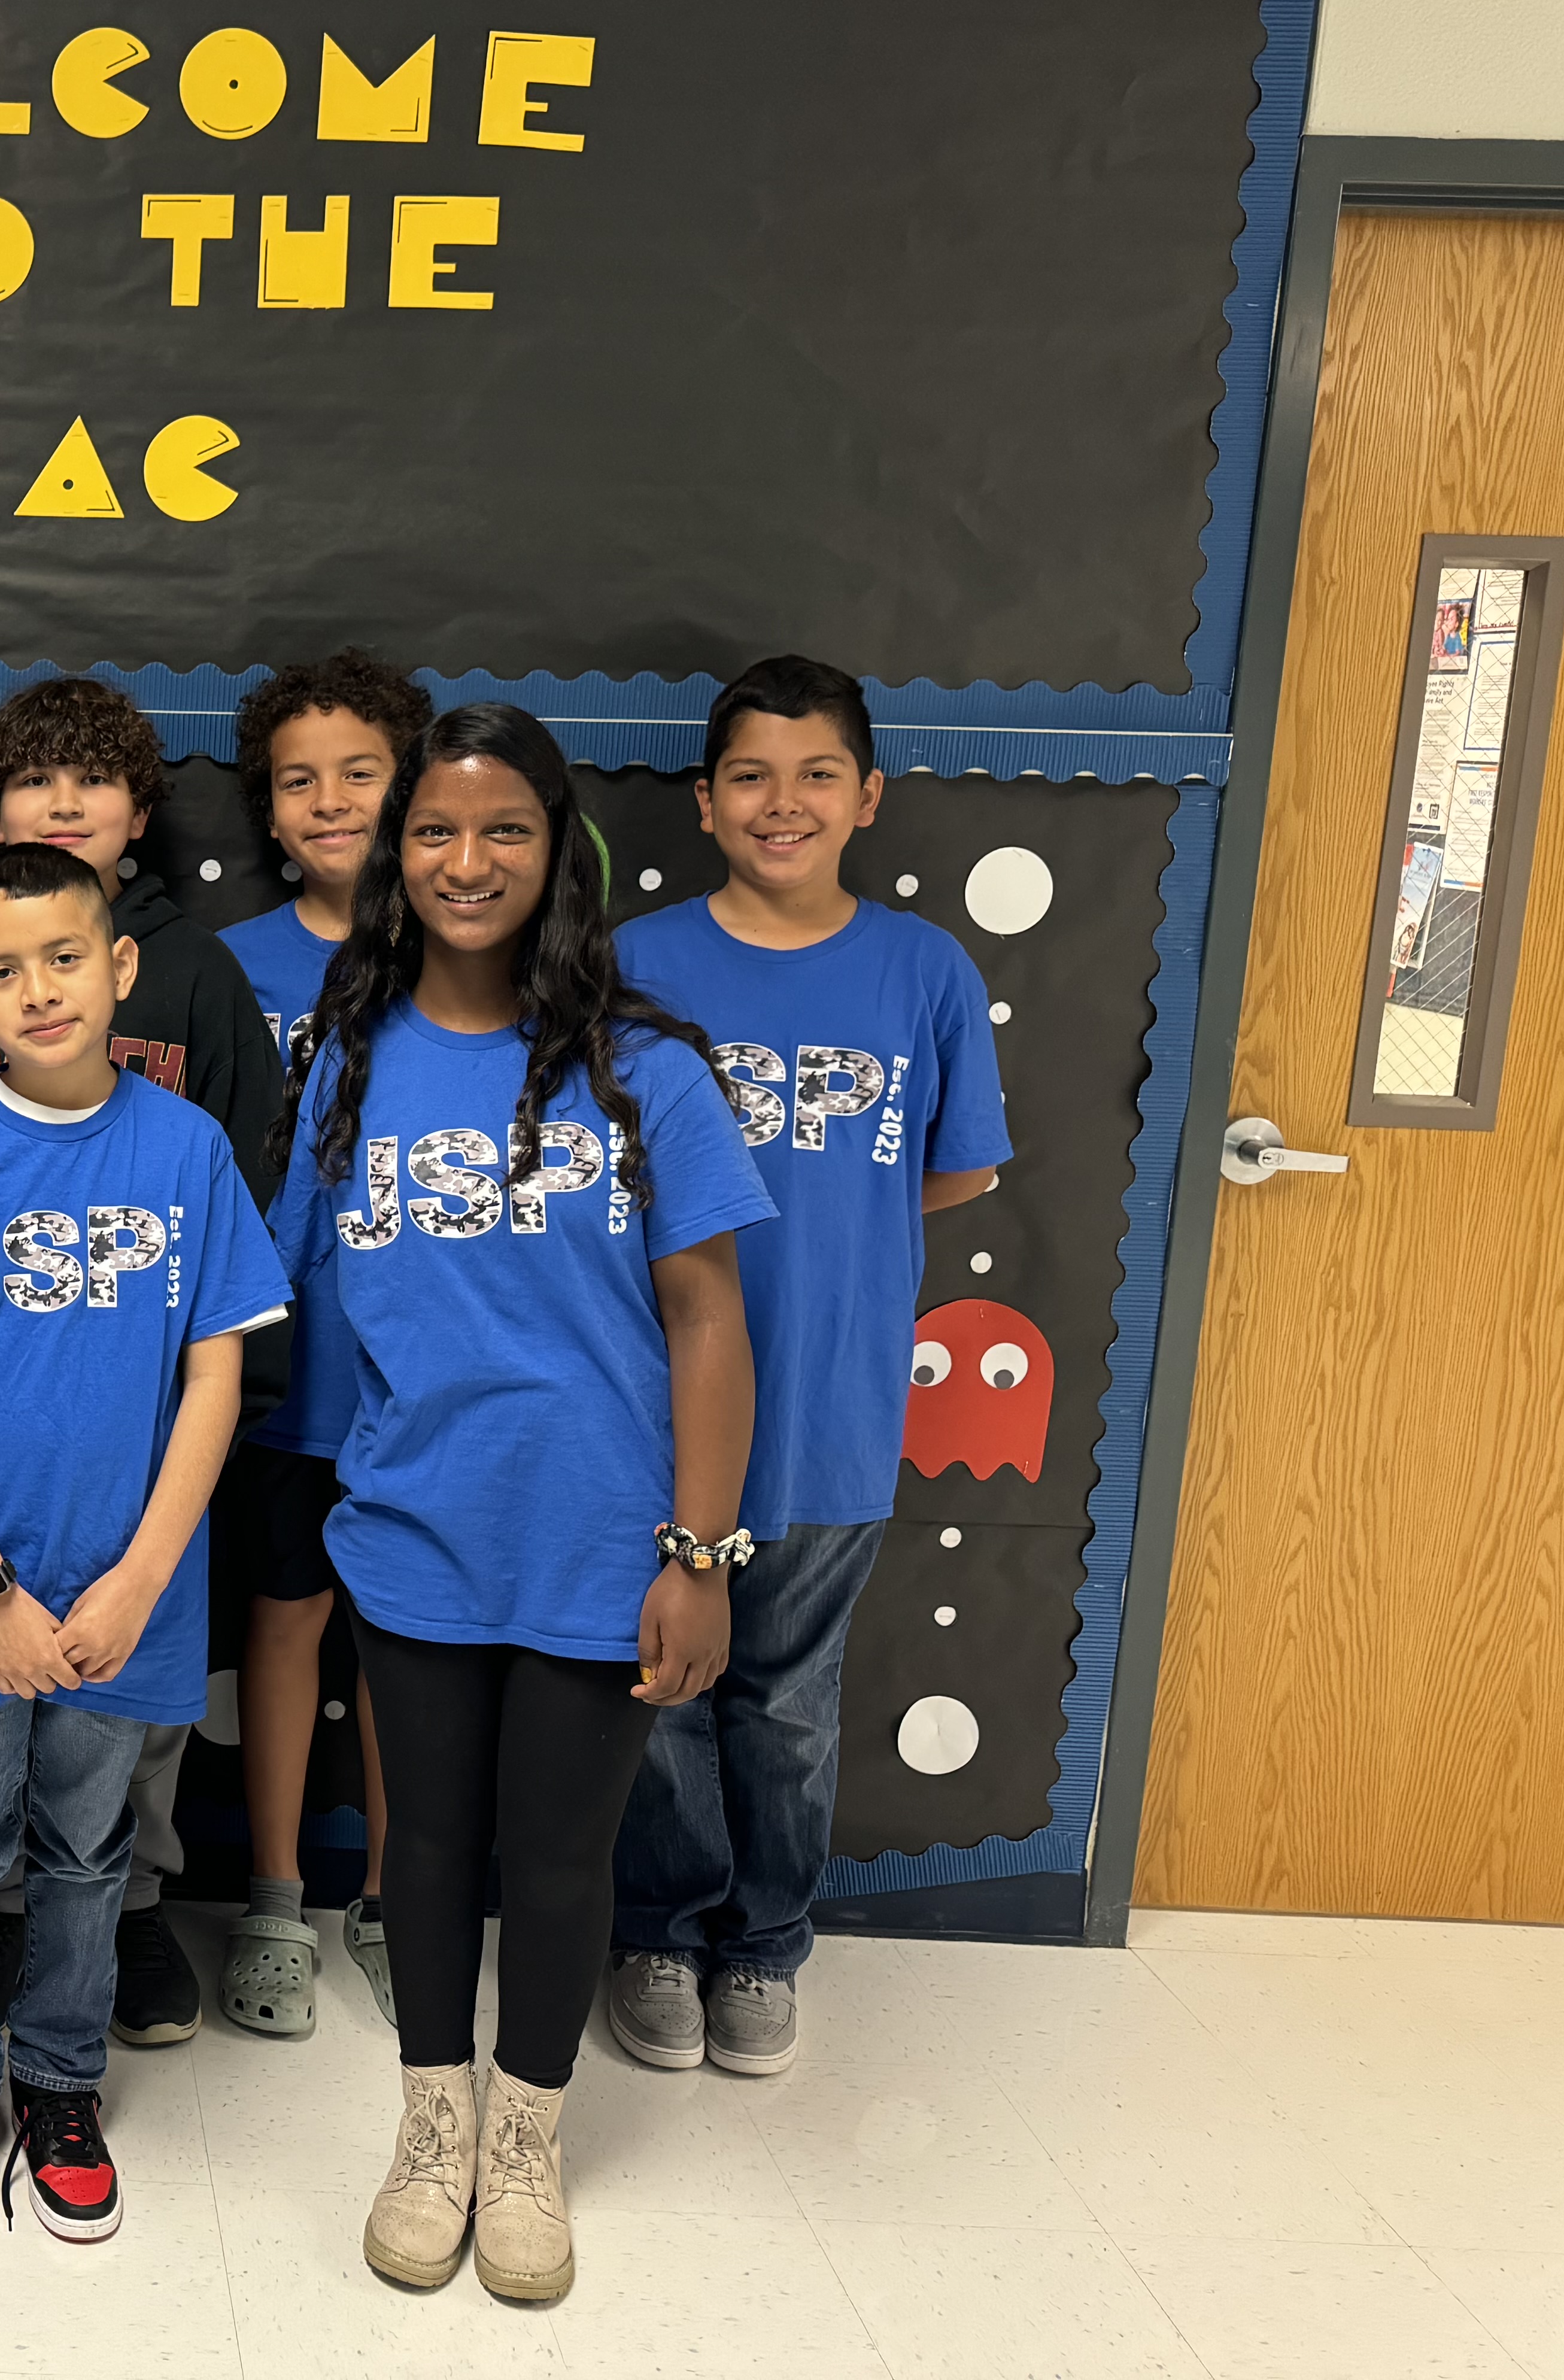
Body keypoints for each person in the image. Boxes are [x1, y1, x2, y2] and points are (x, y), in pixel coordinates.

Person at [270, 704, 769, 2303]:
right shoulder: (350, 1061)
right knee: (424, 1854)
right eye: (433, 831)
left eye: (503, 830)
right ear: (394, 857)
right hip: (417, 1532)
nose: (465, 860)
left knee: (561, 1857)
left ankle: (528, 2137)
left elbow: (711, 1321)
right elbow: (317, 1301)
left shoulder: (647, 1071)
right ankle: (431, 2126)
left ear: (560, 851)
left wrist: (698, 1552)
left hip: (601, 1540)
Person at [0, 845, 288, 2255]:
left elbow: (217, 1374)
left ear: (121, 968)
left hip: (126, 1587)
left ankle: (61, 2075)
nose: (40, 989)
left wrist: (145, 1576)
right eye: (4, 969)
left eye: (66, 958)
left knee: (93, 1847)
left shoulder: (186, 1149)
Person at [603, 655, 1009, 2077]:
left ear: (868, 798)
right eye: (753, 778)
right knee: (661, 1694)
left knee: (785, 1706)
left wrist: (829, 1241)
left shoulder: (926, 970)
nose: (785, 805)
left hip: (831, 1413)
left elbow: (950, 1177)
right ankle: (656, 1928)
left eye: (817, 775)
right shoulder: (635, 965)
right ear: (706, 803)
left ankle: (766, 1948)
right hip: (652, 1414)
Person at [0, 674, 281, 2047]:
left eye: (94, 781)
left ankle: (124, 1923)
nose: (65, 806)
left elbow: (240, 1179)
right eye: (34, 781)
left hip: (141, 1439)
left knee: (122, 1749)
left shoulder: (197, 984)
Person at [211, 652, 429, 2038]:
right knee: (285, 1626)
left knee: (407, 1640)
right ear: (270, 812)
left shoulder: (468, 953)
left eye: (363, 771)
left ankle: (401, 1902)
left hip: (429, 1374)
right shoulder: (230, 965)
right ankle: (277, 1902)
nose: (334, 800)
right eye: (303, 780)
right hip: (290, 1366)